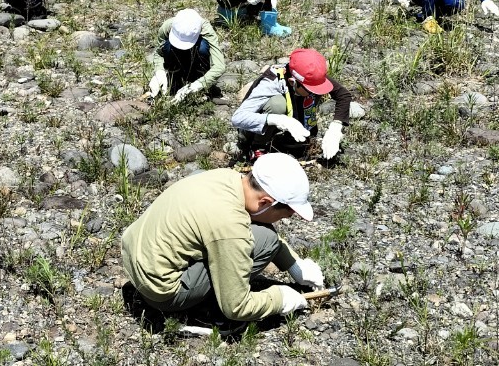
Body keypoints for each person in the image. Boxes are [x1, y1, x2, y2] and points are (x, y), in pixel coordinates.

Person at [121, 152, 324, 323]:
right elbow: (236, 307)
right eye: (286, 214)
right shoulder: (231, 227)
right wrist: (280, 299)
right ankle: (204, 307)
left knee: (262, 233)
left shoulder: (226, 177)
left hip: (134, 257)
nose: (284, 219)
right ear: (265, 202)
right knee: (268, 238)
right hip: (161, 292)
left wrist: (293, 264)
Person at [231, 48, 352, 161]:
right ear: (292, 82)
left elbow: (343, 95)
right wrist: (278, 120)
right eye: (310, 90)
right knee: (277, 104)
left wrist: (335, 128)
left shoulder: (311, 75)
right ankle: (258, 148)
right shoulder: (271, 81)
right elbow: (238, 118)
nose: (314, 93)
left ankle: (288, 141)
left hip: (294, 127)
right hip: (256, 129)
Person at [148, 8, 226, 102]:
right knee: (167, 46)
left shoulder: (206, 30)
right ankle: (174, 77)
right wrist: (159, 72)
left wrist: (197, 85)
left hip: (197, 59)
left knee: (203, 47)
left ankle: (200, 76)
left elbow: (219, 66)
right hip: (176, 58)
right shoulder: (167, 27)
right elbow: (159, 53)